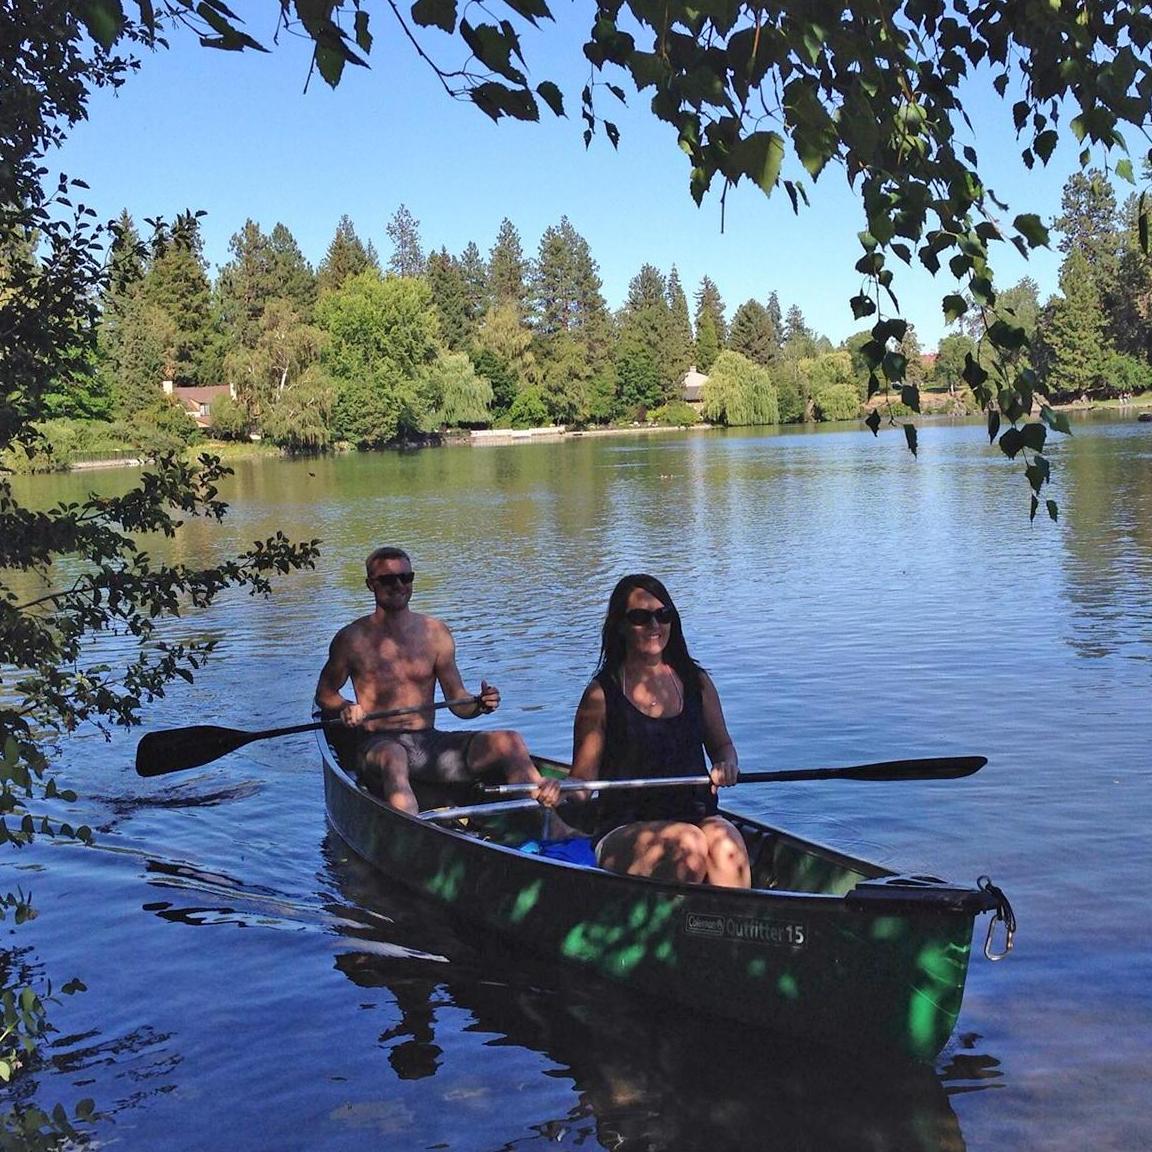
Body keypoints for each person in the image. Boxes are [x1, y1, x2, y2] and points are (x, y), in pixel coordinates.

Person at [539, 574, 751, 887]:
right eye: (640, 617)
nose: (654, 625)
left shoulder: (698, 683)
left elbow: (723, 747)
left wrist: (726, 765)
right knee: (687, 844)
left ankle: (733, 930)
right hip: (624, 828)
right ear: (620, 626)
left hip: (694, 812)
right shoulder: (601, 695)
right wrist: (561, 791)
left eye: (663, 615)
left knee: (726, 844)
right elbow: (582, 782)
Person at [315, 546, 545, 813]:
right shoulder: (351, 638)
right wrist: (345, 708)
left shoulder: (435, 633)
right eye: (388, 580)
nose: (399, 585)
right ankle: (414, 833)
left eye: (406, 577)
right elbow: (324, 693)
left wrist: (479, 705)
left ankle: (547, 825)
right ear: (371, 585)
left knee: (510, 741)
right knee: (394, 757)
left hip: (429, 742)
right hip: (377, 745)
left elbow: (457, 703)